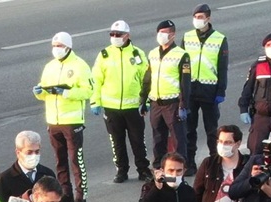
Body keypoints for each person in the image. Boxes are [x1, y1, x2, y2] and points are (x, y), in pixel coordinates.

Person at [34, 32, 93, 202]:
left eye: (59, 46)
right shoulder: (50, 67)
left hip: (72, 120)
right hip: (53, 120)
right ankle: (65, 193)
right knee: (60, 160)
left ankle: (81, 197)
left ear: (68, 46)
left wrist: (65, 92)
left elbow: (88, 91)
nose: (56, 49)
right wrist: (39, 92)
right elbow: (44, 92)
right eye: (54, 46)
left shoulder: (79, 66)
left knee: (76, 160)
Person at [89, 20, 151, 183]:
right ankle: (121, 171)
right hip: (111, 108)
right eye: (112, 34)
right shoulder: (104, 55)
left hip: (133, 107)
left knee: (138, 141)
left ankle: (143, 169)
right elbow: (95, 80)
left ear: (127, 36)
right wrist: (95, 102)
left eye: (118, 34)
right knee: (117, 142)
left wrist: (146, 102)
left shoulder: (137, 54)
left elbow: (147, 79)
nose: (114, 37)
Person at [181, 3, 229, 175]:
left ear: (208, 18)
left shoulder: (219, 39)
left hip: (210, 91)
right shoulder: (187, 37)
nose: (197, 20)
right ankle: (189, 164)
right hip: (190, 91)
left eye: (201, 17)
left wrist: (221, 91)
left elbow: (223, 67)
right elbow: (182, 66)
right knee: (188, 131)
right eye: (195, 17)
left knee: (211, 132)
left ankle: (215, 164)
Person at [141, 20, 192, 170]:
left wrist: (184, 105)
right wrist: (143, 100)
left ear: (173, 35)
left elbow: (185, 83)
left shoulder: (182, 55)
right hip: (156, 103)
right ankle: (158, 167)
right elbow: (147, 78)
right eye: (160, 33)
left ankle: (180, 168)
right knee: (158, 138)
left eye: (165, 33)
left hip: (173, 104)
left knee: (178, 138)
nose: (161, 36)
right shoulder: (153, 53)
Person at [194, 124, 247, 202]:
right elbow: (197, 193)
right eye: (221, 141)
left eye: (228, 142)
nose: (223, 145)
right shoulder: (209, 163)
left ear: (238, 144)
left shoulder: (247, 165)